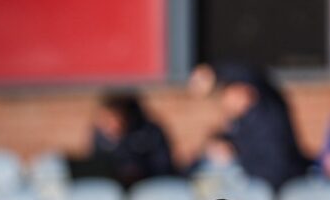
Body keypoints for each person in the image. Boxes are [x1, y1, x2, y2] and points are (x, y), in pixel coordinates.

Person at [190, 62, 312, 190]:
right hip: (260, 183)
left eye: (227, 94)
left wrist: (215, 72)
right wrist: (219, 144)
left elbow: (253, 76)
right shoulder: (240, 123)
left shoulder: (267, 111)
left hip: (280, 184)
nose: (225, 102)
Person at [75, 91, 176, 188]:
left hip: (152, 187)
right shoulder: (100, 137)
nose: (110, 126)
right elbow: (97, 169)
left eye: (114, 119)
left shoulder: (150, 134)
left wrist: (140, 172)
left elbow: (163, 166)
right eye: (105, 121)